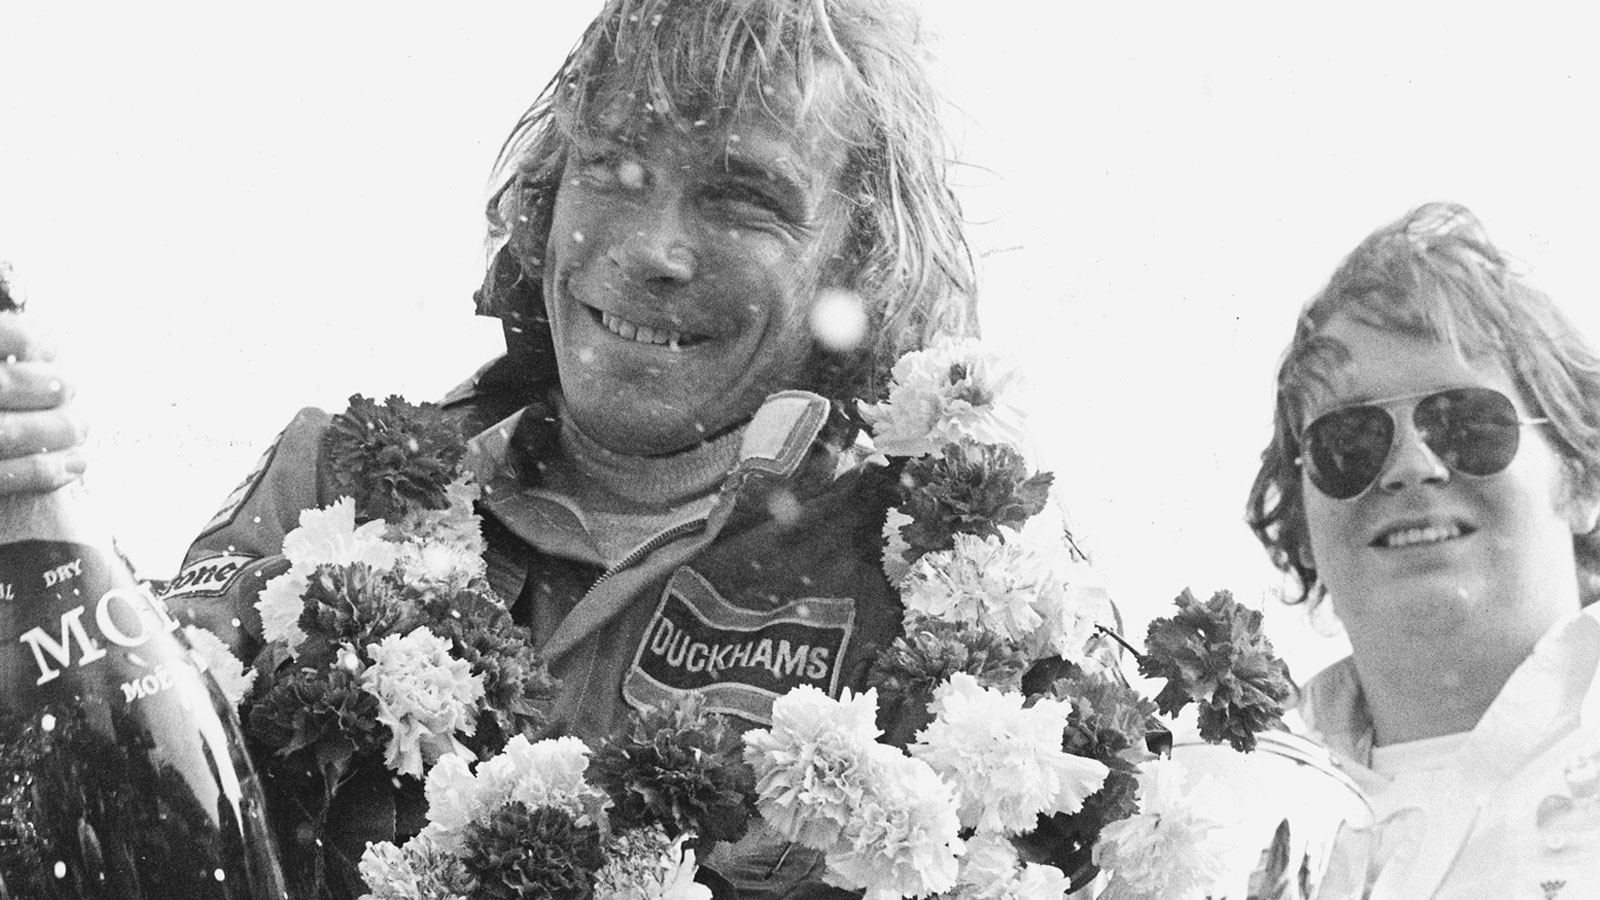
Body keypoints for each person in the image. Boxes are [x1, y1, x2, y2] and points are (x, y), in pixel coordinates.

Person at [2, 2, 976, 898]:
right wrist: (20, 496)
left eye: (740, 197)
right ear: (547, 201)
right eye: (614, 167)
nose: (652, 250)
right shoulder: (333, 488)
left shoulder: (937, 591)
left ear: (858, 256)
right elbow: (92, 803)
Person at [1247, 202, 1600, 897]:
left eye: (1466, 422)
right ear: (1304, 523)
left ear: (1581, 479)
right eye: (1349, 442)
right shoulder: (1222, 803)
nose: (1411, 467)